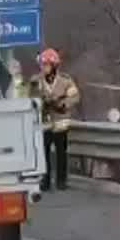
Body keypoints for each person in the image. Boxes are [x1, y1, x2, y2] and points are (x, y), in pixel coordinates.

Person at [33, 47, 80, 191]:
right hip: (44, 124)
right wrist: (41, 103)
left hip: (61, 124)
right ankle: (45, 182)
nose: (44, 68)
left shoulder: (66, 81)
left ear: (54, 67)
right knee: (44, 155)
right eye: (43, 65)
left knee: (61, 154)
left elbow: (75, 97)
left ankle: (61, 181)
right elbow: (29, 97)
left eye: (47, 65)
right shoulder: (36, 81)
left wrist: (62, 105)